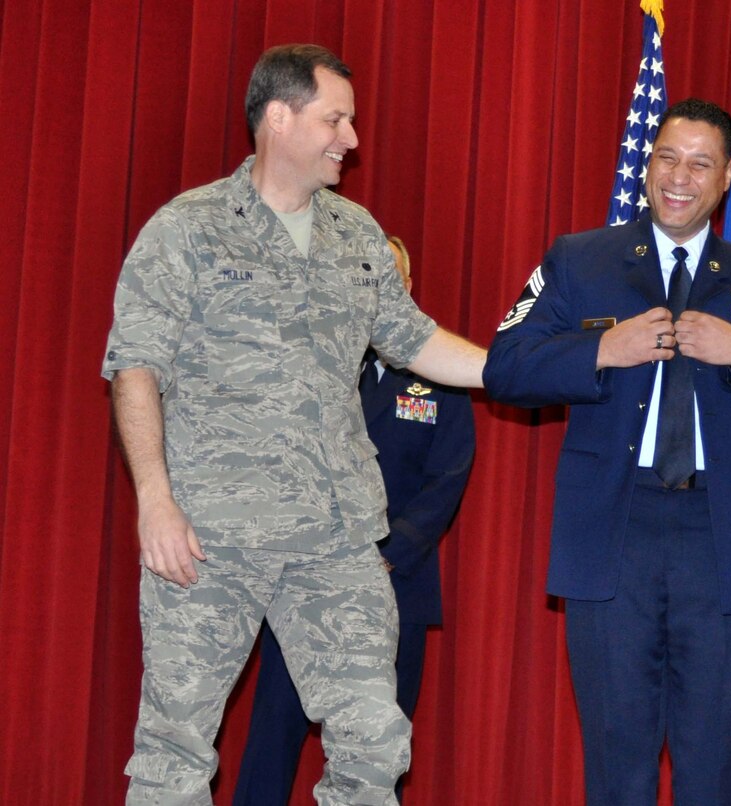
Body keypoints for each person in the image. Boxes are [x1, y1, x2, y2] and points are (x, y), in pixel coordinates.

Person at [102, 44, 485, 804]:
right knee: (176, 746)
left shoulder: (357, 233)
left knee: (376, 740)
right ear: (279, 118)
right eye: (334, 118)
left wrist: (526, 368)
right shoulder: (190, 229)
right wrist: (155, 499)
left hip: (336, 540)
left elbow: (414, 339)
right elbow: (136, 366)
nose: (351, 138)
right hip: (212, 536)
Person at [484, 98, 731, 805]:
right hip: (612, 538)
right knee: (617, 767)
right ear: (647, 165)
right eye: (667, 159)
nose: (678, 178)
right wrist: (601, 350)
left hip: (721, 542)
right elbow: (506, 363)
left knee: (712, 771)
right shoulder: (579, 260)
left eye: (700, 164)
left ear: (727, 177)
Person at [233, 236, 476, 804]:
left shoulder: (440, 375)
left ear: (406, 288)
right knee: (273, 737)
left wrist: (387, 553)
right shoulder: (308, 362)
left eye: (386, 278)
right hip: (303, 583)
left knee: (377, 751)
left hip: (397, 585)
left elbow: (449, 478)